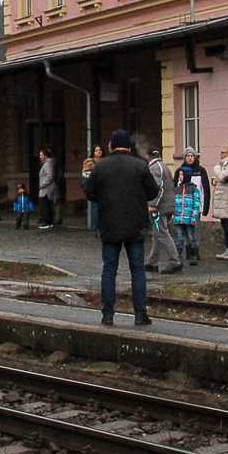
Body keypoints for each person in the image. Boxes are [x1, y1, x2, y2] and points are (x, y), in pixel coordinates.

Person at [82, 129, 160, 326]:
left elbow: (89, 192)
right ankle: (140, 314)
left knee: (109, 270)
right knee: (137, 271)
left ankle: (108, 314)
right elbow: (152, 192)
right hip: (135, 225)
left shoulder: (101, 167)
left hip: (109, 224)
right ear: (128, 145)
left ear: (112, 145)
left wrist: (104, 199)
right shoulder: (140, 166)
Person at [143, 148, 183, 274]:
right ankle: (152, 261)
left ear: (148, 156)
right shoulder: (164, 166)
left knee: (162, 233)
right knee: (157, 233)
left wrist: (153, 204)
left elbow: (157, 188)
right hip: (167, 205)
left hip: (159, 207)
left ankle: (175, 261)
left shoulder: (154, 168)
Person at [175, 176, 202, 264]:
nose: (180, 177)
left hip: (189, 218)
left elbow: (197, 203)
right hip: (179, 218)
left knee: (191, 237)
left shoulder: (194, 189)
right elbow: (173, 202)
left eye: (182, 174)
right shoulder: (177, 189)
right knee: (179, 238)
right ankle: (178, 256)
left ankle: (193, 255)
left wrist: (194, 216)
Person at [82, 146, 105, 232]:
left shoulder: (105, 161)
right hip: (94, 188)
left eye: (100, 150)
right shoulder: (89, 162)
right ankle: (95, 227)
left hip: (104, 188)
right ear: (93, 152)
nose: (99, 152)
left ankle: (102, 226)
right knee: (95, 208)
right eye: (96, 150)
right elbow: (85, 175)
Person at [36, 148, 59, 230]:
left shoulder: (47, 164)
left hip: (46, 189)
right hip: (47, 188)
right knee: (47, 205)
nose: (40, 156)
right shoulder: (47, 163)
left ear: (45, 156)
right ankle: (49, 222)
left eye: (41, 155)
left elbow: (50, 176)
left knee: (44, 205)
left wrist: (42, 184)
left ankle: (46, 222)